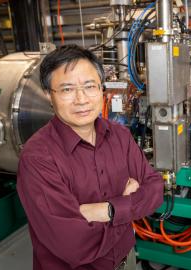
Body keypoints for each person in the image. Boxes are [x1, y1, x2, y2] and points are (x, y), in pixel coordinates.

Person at [17, 44, 164, 270]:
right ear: (49, 95)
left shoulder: (119, 136)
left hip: (126, 261)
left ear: (101, 89)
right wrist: (127, 208)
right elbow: (75, 246)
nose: (81, 99)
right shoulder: (38, 158)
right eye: (67, 89)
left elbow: (154, 190)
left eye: (89, 86)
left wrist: (108, 210)